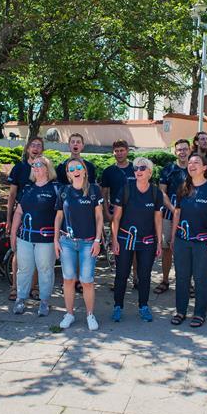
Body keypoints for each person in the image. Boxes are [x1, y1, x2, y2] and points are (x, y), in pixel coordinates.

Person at [171, 153, 207, 328]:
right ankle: (180, 311)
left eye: (196, 162)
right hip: (182, 240)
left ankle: (199, 313)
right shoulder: (183, 187)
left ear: (204, 168)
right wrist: (173, 237)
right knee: (181, 277)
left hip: (204, 242)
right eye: (190, 162)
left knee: (201, 278)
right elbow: (177, 214)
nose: (192, 165)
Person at [111, 157, 163, 322]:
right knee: (122, 274)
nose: (138, 171)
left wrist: (159, 242)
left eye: (142, 168)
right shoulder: (126, 189)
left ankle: (143, 307)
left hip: (147, 241)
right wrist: (114, 240)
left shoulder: (155, 192)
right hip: (125, 239)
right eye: (135, 169)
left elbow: (158, 219)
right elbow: (116, 218)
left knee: (144, 275)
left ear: (150, 172)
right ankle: (118, 306)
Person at [54, 158, 103, 331]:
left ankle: (90, 315)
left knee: (87, 280)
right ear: (68, 174)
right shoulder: (64, 191)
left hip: (88, 243)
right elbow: (59, 216)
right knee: (68, 279)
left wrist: (97, 240)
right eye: (71, 168)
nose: (75, 170)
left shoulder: (94, 190)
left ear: (84, 170)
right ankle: (69, 314)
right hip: (66, 242)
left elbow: (99, 217)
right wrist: (55, 240)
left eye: (78, 167)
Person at [11, 156, 60, 316]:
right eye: (33, 165)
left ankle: (44, 301)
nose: (36, 167)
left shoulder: (56, 188)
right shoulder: (27, 188)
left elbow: (61, 215)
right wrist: (13, 234)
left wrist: (58, 239)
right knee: (24, 269)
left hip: (46, 239)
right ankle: (20, 299)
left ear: (47, 168)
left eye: (40, 164)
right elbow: (19, 212)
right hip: (25, 238)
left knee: (45, 269)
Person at [6, 136, 44, 300]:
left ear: (42, 150)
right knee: (17, 252)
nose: (35, 148)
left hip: (39, 216)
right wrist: (9, 218)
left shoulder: (45, 168)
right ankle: (15, 287)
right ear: (28, 149)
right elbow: (12, 195)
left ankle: (34, 287)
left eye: (39, 145)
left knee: (36, 253)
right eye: (33, 145)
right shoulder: (19, 168)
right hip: (21, 215)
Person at [157, 139, 190, 294]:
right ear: (175, 152)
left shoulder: (194, 168)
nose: (182, 152)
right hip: (168, 215)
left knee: (187, 251)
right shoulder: (168, 169)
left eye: (185, 149)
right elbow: (161, 192)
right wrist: (173, 209)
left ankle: (186, 283)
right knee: (167, 250)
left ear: (190, 150)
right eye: (179, 149)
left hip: (189, 218)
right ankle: (165, 280)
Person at [100, 139, 136, 219]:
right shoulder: (108, 171)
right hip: (114, 210)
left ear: (127, 151)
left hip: (133, 210)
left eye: (121, 150)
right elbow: (104, 194)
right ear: (113, 152)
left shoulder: (136, 169)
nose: (119, 153)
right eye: (116, 151)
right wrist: (107, 213)